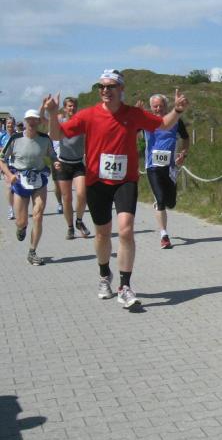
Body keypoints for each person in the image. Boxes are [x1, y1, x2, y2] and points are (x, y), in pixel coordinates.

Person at [45, 69, 189, 310]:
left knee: (126, 230)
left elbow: (163, 124)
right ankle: (104, 275)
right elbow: (57, 134)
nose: (105, 90)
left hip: (125, 181)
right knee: (102, 234)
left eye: (110, 86)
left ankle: (125, 286)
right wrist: (51, 114)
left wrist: (177, 110)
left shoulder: (133, 114)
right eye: (102, 86)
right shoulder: (88, 115)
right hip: (96, 181)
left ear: (121, 89)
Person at [0, 108, 56, 265]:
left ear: (38, 121)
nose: (32, 122)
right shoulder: (15, 138)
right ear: (25, 121)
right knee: (21, 221)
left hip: (39, 179)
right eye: (29, 119)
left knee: (38, 215)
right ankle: (21, 227)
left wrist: (56, 162)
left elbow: (52, 155)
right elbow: (2, 159)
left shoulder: (45, 138)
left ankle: (32, 251)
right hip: (20, 181)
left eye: (35, 119)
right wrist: (9, 175)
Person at [144, 93, 190, 250]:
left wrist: (183, 153)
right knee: (161, 200)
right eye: (155, 106)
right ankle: (164, 235)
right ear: (151, 107)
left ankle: (161, 203)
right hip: (152, 166)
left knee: (171, 203)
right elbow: (129, 131)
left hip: (170, 167)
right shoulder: (146, 120)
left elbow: (186, 138)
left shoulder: (176, 121)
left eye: (161, 106)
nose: (158, 109)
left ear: (166, 106)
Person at [53, 97, 91, 240]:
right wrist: (48, 110)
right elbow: (44, 122)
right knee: (67, 199)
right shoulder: (61, 121)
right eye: (69, 106)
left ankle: (79, 221)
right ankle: (70, 227)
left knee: (82, 193)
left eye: (74, 106)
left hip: (78, 163)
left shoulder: (82, 123)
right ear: (65, 108)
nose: (72, 108)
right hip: (63, 164)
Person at [1, 117, 15, 220]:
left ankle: (20, 206)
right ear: (5, 125)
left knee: (18, 187)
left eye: (11, 123)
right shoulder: (2, 136)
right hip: (6, 164)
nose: (10, 125)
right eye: (8, 123)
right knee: (9, 186)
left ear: (14, 124)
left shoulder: (18, 135)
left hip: (17, 164)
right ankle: (11, 209)